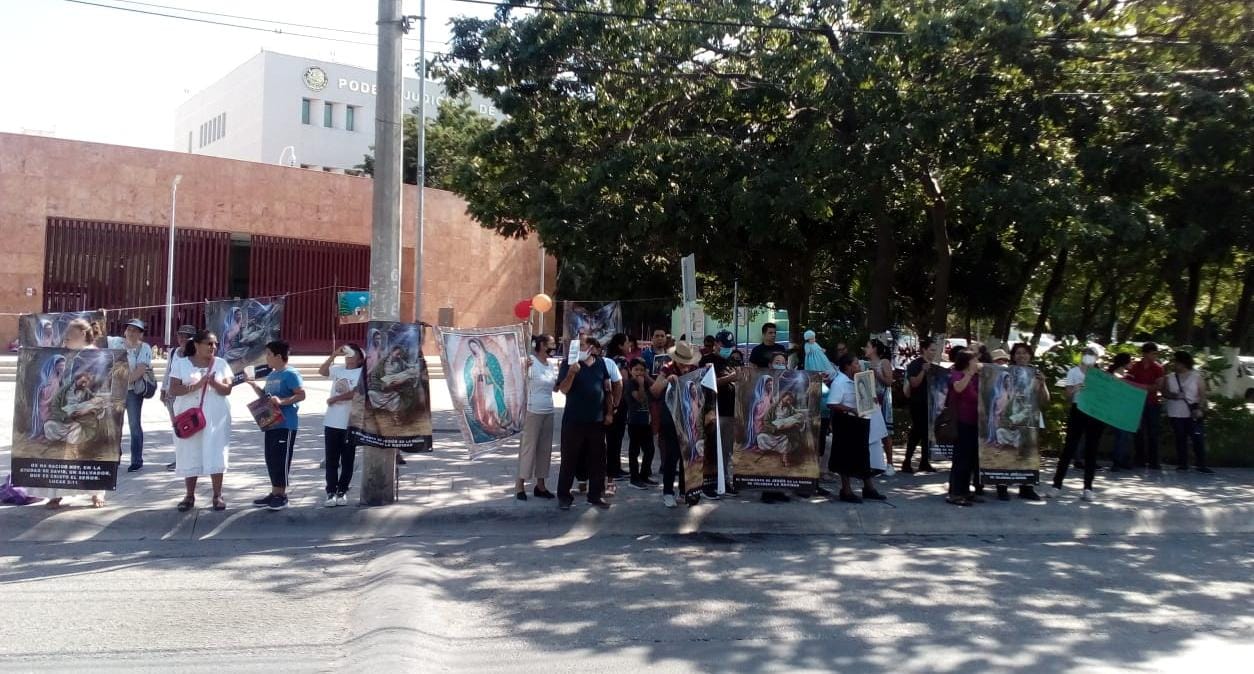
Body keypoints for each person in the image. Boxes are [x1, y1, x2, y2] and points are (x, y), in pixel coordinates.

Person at [29, 319, 107, 509]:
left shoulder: (97, 356)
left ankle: (96, 492)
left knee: (88, 453)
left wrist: (86, 406)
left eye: (68, 338)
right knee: (55, 443)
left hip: (88, 410)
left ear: (81, 334)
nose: (65, 341)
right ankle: (56, 493)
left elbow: (99, 386)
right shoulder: (68, 356)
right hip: (66, 411)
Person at [169, 330, 233, 512]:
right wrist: (197, 385)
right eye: (209, 343)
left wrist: (213, 383)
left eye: (215, 344)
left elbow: (228, 389)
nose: (213, 347)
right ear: (197, 345)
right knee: (190, 451)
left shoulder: (220, 364)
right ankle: (189, 495)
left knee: (216, 450)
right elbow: (173, 389)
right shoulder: (181, 363)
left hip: (215, 416)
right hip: (189, 415)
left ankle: (217, 495)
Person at [246, 340, 306, 511]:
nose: (267, 358)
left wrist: (283, 401)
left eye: (269, 354)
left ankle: (282, 495)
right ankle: (274, 492)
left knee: (281, 459)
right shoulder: (272, 375)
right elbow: (266, 396)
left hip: (286, 424)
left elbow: (301, 395)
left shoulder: (291, 374)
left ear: (279, 356)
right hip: (271, 423)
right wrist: (253, 385)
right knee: (271, 458)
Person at [555, 337, 613, 510]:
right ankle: (564, 496)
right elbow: (563, 389)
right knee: (569, 459)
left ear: (591, 347)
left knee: (598, 459)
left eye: (582, 345)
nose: (579, 348)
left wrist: (610, 411)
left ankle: (595, 495)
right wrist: (572, 373)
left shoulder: (601, 363)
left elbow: (607, 388)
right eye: (577, 345)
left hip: (596, 420)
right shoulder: (568, 363)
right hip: (574, 420)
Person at [827, 354, 887, 503]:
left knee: (863, 455)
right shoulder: (839, 382)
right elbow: (832, 403)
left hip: (861, 421)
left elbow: (866, 398)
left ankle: (868, 488)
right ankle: (846, 490)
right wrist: (851, 410)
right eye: (856, 364)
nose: (859, 367)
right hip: (846, 421)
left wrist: (871, 400)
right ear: (847, 366)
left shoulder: (859, 379)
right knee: (845, 456)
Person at [1048, 347, 1105, 502]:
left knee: (1091, 450)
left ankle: (1088, 488)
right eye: (1087, 355)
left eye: (1092, 356)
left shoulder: (1100, 375)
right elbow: (1066, 395)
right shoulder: (1073, 372)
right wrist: (1076, 388)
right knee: (1069, 448)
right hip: (1078, 409)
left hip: (1094, 413)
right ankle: (1056, 485)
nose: (1089, 358)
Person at [650, 341, 703, 507]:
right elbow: (654, 390)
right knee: (671, 456)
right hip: (671, 418)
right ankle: (667, 492)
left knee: (686, 455)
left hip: (689, 418)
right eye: (683, 363)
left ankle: (684, 490)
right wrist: (667, 381)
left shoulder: (695, 369)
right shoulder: (667, 368)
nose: (686, 367)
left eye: (688, 363)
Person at [994, 343, 1048, 501]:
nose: (1021, 356)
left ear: (1030, 355)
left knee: (1028, 453)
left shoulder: (1036, 373)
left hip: (1030, 419)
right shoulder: (1005, 373)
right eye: (1018, 353)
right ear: (1013, 356)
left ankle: (1026, 488)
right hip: (1010, 417)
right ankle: (1002, 487)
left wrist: (1043, 383)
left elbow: (1045, 400)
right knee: (1007, 452)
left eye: (1025, 353)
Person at [319, 343, 363, 507]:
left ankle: (342, 491)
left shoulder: (361, 373)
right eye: (347, 353)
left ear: (360, 358)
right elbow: (322, 371)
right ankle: (330, 492)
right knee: (331, 459)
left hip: (349, 422)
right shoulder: (338, 369)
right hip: (331, 421)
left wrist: (336, 399)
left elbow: (356, 392)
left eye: (353, 353)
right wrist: (333, 355)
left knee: (347, 459)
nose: (349, 356)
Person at [517, 335, 558, 500]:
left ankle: (540, 486)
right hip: (533, 411)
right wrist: (523, 369)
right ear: (541, 345)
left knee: (544, 450)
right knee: (529, 449)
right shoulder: (530, 361)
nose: (553, 347)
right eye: (551, 344)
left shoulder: (550, 364)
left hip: (549, 411)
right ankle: (519, 485)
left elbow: (554, 388)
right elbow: (518, 379)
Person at [699, 330, 740, 496]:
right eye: (724, 345)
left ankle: (724, 481)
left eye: (729, 346)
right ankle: (708, 484)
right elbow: (706, 383)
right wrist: (731, 378)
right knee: (711, 450)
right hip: (714, 412)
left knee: (726, 451)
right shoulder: (708, 360)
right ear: (716, 344)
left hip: (730, 413)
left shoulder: (729, 362)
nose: (727, 349)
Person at [1162, 351, 1213, 474]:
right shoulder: (1170, 377)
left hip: (1193, 413)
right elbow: (1165, 393)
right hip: (1175, 412)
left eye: (1176, 362)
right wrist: (1174, 396)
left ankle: (1201, 464)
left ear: (1183, 363)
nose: (1174, 365)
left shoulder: (1197, 377)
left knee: (1197, 438)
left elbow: (1202, 395)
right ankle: (1182, 463)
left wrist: (1200, 409)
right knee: (1180, 438)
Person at [116, 319, 154, 472]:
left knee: (134, 425)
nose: (131, 332)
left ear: (140, 334)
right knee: (114, 426)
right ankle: (114, 457)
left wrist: (124, 383)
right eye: (129, 329)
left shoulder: (144, 348)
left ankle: (136, 460)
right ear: (125, 331)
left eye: (135, 330)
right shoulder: (116, 343)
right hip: (115, 391)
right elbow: (98, 338)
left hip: (132, 391)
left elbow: (140, 370)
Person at [945, 349, 981, 506]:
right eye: (974, 360)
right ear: (967, 362)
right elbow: (958, 388)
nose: (976, 363)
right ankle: (955, 493)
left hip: (975, 422)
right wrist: (969, 374)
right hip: (961, 422)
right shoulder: (957, 375)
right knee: (961, 459)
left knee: (970, 459)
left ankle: (965, 490)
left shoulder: (976, 378)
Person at [161, 324, 198, 471]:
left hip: (188, 394)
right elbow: (168, 371)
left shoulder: (195, 354)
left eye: (186, 336)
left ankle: (190, 457)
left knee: (190, 425)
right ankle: (179, 457)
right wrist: (163, 389)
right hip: (172, 394)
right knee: (177, 427)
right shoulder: (173, 352)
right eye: (180, 335)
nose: (183, 339)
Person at [901, 336, 939, 473]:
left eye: (935, 350)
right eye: (931, 350)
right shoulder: (916, 365)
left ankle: (924, 461)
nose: (933, 352)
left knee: (925, 433)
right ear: (924, 350)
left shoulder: (934, 366)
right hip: (918, 403)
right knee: (917, 432)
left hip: (929, 404)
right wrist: (923, 370)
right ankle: (907, 461)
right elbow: (914, 383)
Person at [1126, 342, 1165, 470]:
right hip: (1137, 403)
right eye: (1152, 353)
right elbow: (1127, 382)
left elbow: (1158, 387)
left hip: (1152, 403)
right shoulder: (1135, 366)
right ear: (1145, 353)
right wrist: (1144, 387)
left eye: (1156, 353)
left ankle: (1154, 461)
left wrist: (1143, 388)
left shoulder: (1158, 368)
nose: (1155, 356)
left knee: (1153, 432)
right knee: (1138, 431)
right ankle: (1139, 459)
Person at [624, 358, 658, 489]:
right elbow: (640, 398)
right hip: (634, 422)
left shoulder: (646, 381)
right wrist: (642, 385)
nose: (639, 372)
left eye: (642, 370)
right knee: (634, 451)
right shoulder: (630, 384)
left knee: (650, 450)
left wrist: (647, 377)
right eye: (636, 369)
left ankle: (644, 475)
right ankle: (634, 478)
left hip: (646, 421)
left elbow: (656, 389)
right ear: (630, 370)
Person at [865, 338, 896, 476]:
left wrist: (876, 373)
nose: (865, 349)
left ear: (874, 349)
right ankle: (874, 463)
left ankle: (890, 464)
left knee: (885, 432)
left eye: (868, 346)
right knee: (872, 431)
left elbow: (889, 382)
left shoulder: (884, 362)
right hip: (870, 401)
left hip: (882, 400)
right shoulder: (864, 363)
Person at [603, 333, 630, 481]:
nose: (629, 346)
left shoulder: (607, 358)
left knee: (610, 436)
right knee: (616, 437)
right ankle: (614, 469)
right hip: (619, 401)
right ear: (620, 345)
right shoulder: (621, 360)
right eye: (627, 343)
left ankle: (612, 466)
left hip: (607, 399)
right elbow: (624, 380)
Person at [1106, 353, 1135, 472]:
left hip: (1115, 407)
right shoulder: (1121, 373)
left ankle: (1121, 459)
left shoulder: (1111, 371)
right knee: (1123, 435)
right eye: (1130, 361)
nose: (1131, 364)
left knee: (1122, 435)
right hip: (1121, 408)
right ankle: (1118, 461)